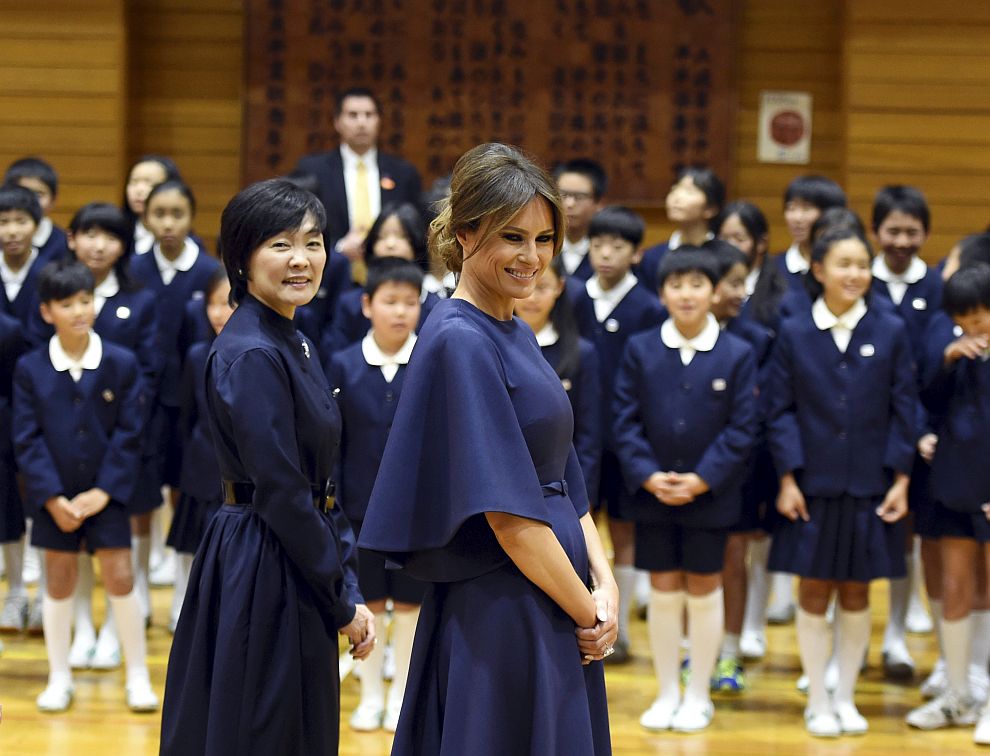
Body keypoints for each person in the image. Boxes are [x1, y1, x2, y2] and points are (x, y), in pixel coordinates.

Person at [359, 143, 614, 755]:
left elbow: (563, 474)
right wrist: (588, 612)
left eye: (545, 238)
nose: (532, 257)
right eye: (513, 237)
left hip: (556, 591)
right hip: (507, 603)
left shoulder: (515, 327)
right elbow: (509, 516)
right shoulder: (458, 339)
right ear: (466, 235)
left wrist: (604, 584)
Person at [160, 178, 374, 756]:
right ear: (241, 258)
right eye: (280, 245)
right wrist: (342, 600)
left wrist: (342, 576)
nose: (302, 259)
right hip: (264, 555)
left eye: (313, 241)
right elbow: (281, 489)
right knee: (264, 729)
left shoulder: (291, 337)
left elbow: (320, 479)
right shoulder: (253, 350)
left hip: (288, 546)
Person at [767, 227, 917, 737]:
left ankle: (846, 696)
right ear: (819, 269)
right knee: (813, 591)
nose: (854, 273)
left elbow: (905, 408)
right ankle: (818, 698)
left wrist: (900, 478)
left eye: (862, 264)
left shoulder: (892, 329)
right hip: (811, 487)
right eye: (843, 263)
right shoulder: (793, 330)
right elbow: (779, 410)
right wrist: (787, 477)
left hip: (870, 487)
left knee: (857, 593)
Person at [614, 247, 757, 732]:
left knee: (703, 587)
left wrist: (702, 479)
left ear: (715, 292)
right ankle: (666, 691)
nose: (687, 294)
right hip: (652, 494)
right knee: (662, 589)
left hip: (710, 497)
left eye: (698, 284)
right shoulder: (641, 348)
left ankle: (698, 693)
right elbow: (624, 419)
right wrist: (649, 474)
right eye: (676, 285)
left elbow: (742, 428)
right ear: (662, 292)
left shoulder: (738, 353)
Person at [12, 258, 156, 713]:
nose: (79, 310)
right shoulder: (30, 368)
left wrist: (104, 492)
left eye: (86, 300)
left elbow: (131, 434)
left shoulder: (122, 363)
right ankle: (59, 676)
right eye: (67, 303)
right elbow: (26, 437)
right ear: (46, 311)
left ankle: (137, 675)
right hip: (54, 500)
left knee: (119, 575)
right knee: (57, 579)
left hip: (107, 496)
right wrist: (52, 497)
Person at [327, 258, 425, 734]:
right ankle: (369, 697)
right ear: (367, 305)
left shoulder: (429, 362)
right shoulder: (343, 364)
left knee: (408, 609)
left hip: (415, 517)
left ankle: (404, 696)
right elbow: (334, 448)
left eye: (411, 302)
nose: (401, 312)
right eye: (390, 301)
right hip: (359, 514)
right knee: (367, 607)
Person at [573, 205, 664, 663]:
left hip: (625, 438)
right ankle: (581, 618)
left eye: (618, 246)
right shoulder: (573, 296)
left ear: (637, 254)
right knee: (577, 530)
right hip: (575, 438)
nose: (606, 253)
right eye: (598, 243)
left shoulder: (649, 306)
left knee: (624, 532)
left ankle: (619, 626)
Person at [129, 179, 220, 625]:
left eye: (177, 213)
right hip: (144, 400)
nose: (167, 223)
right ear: (146, 217)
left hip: (191, 402)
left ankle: (186, 590)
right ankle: (140, 587)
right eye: (158, 213)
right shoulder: (134, 268)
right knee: (143, 494)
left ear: (191, 216)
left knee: (186, 488)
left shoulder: (207, 271)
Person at [906, 263, 990, 741]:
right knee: (955, 588)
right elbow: (926, 403)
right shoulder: (954, 355)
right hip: (956, 483)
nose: (973, 326)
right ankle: (957, 693)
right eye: (964, 317)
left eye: (981, 316)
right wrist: (948, 361)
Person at [870, 185, 941, 681]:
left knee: (911, 535)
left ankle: (897, 633)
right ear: (876, 233)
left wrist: (924, 430)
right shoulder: (857, 278)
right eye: (892, 230)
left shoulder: (936, 287)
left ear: (926, 235)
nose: (901, 240)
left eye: (911, 232)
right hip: (869, 432)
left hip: (926, 433)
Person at [704, 239, 775, 686]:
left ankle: (729, 650)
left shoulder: (758, 340)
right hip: (681, 472)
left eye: (741, 281)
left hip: (739, 468)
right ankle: (696, 652)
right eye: (730, 282)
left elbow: (758, 414)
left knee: (733, 558)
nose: (739, 291)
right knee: (688, 569)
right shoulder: (662, 336)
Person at [165, 269, 234, 633]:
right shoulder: (196, 355)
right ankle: (182, 604)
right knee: (189, 547)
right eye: (212, 305)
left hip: (237, 476)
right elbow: (187, 416)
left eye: (228, 303)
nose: (220, 313)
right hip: (200, 469)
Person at [294, 87, 422, 269]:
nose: (362, 123)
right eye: (353, 115)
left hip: (389, 273)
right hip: (330, 274)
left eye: (369, 115)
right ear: (337, 122)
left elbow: (415, 229)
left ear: (379, 121)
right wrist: (338, 247)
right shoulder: (313, 170)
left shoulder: (403, 172)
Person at [515, 255, 602, 509]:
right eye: (528, 285)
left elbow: (589, 437)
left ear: (560, 287)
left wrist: (582, 502)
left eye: (542, 287)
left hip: (561, 489)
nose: (532, 297)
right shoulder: (491, 344)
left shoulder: (581, 353)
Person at [323, 202, 439, 355]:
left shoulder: (435, 306)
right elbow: (334, 355)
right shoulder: (350, 303)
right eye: (382, 237)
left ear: (416, 244)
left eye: (401, 236)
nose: (390, 244)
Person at [636, 167, 724, 293]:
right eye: (674, 189)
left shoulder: (725, 256)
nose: (676, 198)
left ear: (711, 209)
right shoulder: (653, 257)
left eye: (689, 191)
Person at [773, 175, 847, 296]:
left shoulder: (848, 269)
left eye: (806, 208)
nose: (797, 218)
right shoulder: (774, 268)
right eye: (791, 208)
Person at [4, 157, 69, 262]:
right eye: (24, 192)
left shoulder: (63, 243)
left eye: (39, 194)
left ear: (53, 200)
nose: (31, 200)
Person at [553, 158, 607, 281]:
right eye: (563, 194)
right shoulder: (543, 243)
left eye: (579, 197)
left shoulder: (607, 252)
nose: (569, 203)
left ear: (599, 203)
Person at [121, 154, 183, 255]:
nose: (139, 190)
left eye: (149, 183)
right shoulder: (118, 234)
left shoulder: (187, 243)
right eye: (134, 182)